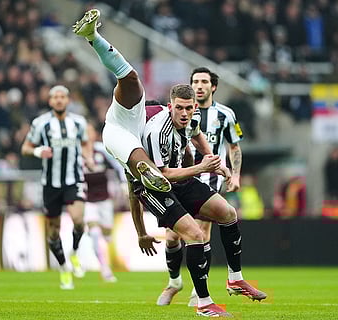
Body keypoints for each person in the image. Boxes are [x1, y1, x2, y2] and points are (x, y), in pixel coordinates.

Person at [130, 84, 267, 316]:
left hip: (181, 177)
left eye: (189, 108)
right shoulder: (156, 132)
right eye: (179, 108)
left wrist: (216, 163)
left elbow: (197, 135)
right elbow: (161, 174)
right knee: (195, 235)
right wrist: (141, 232)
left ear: (195, 107)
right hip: (155, 188)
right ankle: (203, 303)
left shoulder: (191, 119)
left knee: (228, 213)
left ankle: (235, 279)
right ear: (170, 106)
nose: (184, 113)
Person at [157, 67, 246, 307]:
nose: (199, 85)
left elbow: (234, 146)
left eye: (204, 81)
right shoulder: (177, 117)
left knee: (202, 234)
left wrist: (234, 174)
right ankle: (174, 281)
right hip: (180, 178)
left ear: (213, 86)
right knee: (173, 237)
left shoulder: (226, 114)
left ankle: (199, 293)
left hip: (209, 180)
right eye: (195, 81)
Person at [73, 8, 171, 194]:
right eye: (181, 108)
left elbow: (135, 203)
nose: (185, 113)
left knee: (221, 215)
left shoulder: (183, 133)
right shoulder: (166, 117)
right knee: (130, 77)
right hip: (124, 125)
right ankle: (92, 36)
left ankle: (143, 175)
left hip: (124, 142)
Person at [21, 85, 94, 290]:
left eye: (63, 97)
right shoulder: (40, 123)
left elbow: (86, 143)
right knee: (53, 231)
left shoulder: (78, 122)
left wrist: (87, 157)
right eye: (55, 97)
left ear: (68, 100)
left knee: (79, 220)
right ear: (50, 101)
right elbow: (25, 148)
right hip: (50, 183)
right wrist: (38, 152)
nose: (59, 100)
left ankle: (74, 252)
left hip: (74, 180)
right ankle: (64, 268)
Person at [84, 124, 126, 283]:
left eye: (89, 132)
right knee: (95, 233)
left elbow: (118, 165)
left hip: (104, 199)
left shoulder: (101, 150)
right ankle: (105, 268)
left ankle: (104, 237)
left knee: (107, 232)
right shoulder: (76, 153)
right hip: (87, 200)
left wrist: (123, 183)